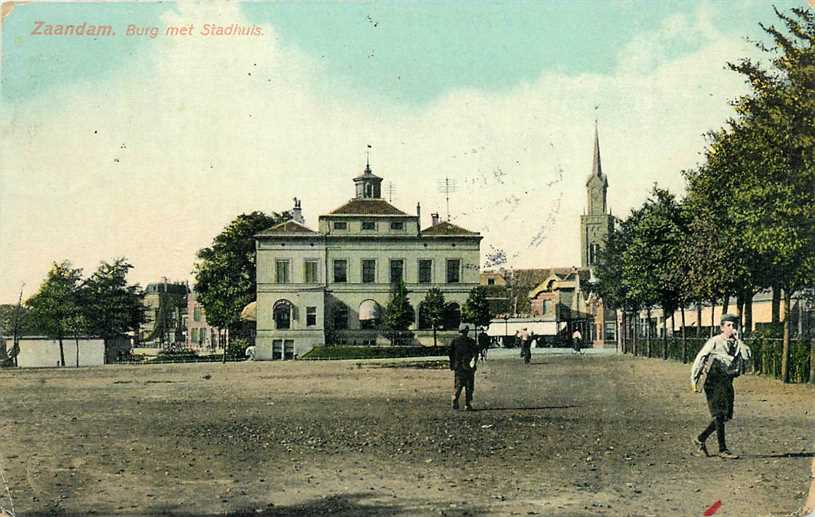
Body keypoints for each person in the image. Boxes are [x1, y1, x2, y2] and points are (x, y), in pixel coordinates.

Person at [690, 313, 752, 460]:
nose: (732, 328)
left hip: (727, 379)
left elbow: (747, 356)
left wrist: (739, 340)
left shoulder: (737, 343)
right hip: (712, 379)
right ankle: (722, 449)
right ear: (722, 328)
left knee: (725, 415)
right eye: (729, 325)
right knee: (719, 413)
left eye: (734, 325)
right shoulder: (715, 341)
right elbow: (700, 358)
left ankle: (700, 439)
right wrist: (694, 379)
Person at [448, 324, 479, 410]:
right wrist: (474, 363)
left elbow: (450, 354)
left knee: (459, 384)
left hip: (458, 366)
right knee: (469, 386)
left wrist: (452, 365)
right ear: (467, 331)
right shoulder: (471, 341)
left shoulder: (454, 341)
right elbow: (476, 353)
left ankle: (455, 397)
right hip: (468, 366)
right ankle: (467, 404)